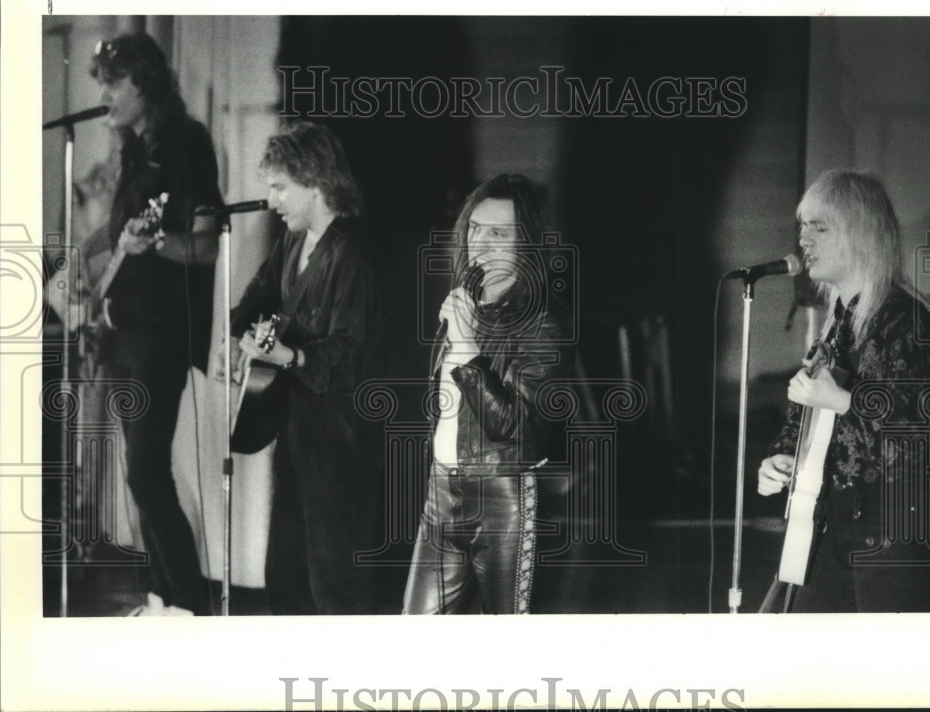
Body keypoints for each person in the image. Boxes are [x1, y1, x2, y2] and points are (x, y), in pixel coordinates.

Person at [757, 169, 930, 612]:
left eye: (819, 228)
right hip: (835, 520)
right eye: (802, 227)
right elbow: (807, 416)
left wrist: (843, 400)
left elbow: (918, 439)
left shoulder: (904, 322)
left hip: (894, 528)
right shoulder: (838, 323)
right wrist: (782, 456)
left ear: (860, 234)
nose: (803, 240)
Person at [219, 122, 383, 614]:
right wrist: (233, 335)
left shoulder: (351, 254)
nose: (271, 201)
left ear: (316, 183)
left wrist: (289, 356)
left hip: (338, 435)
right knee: (285, 567)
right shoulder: (292, 242)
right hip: (294, 425)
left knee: (332, 573)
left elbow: (352, 350)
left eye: (279, 188)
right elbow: (261, 291)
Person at [90, 32, 222, 616]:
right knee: (137, 474)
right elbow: (114, 233)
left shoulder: (188, 144)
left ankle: (189, 603)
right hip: (121, 331)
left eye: (112, 83)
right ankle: (161, 598)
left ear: (144, 82)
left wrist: (158, 243)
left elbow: (206, 246)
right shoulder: (133, 148)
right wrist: (76, 263)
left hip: (159, 334)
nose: (104, 95)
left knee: (146, 472)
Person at [403, 173, 574, 614]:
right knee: (413, 635)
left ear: (528, 244)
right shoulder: (467, 305)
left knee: (508, 641)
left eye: (498, 233)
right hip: (442, 494)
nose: (480, 243)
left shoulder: (543, 325)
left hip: (504, 501)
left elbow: (514, 428)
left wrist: (467, 349)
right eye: (474, 229)